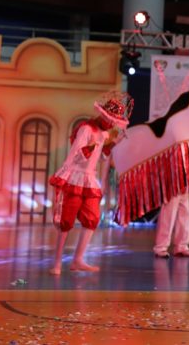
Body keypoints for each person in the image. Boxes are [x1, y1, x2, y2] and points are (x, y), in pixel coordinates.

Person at [49, 91, 133, 275]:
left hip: (89, 179)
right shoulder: (86, 128)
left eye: (114, 121)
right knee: (66, 221)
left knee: (92, 218)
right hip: (75, 176)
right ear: (103, 115)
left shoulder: (103, 134)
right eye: (110, 119)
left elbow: (101, 157)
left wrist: (113, 144)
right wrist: (92, 146)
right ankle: (56, 263)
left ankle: (78, 259)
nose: (111, 124)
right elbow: (76, 153)